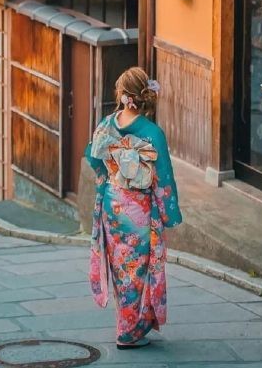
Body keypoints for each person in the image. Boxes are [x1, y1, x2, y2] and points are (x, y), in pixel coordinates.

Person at [85, 66, 182, 349]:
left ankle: (129, 323)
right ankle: (128, 330)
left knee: (121, 269)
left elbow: (93, 158)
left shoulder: (106, 124)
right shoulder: (152, 132)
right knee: (135, 270)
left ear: (123, 95)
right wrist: (168, 213)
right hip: (138, 211)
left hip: (112, 208)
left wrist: (113, 177)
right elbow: (163, 178)